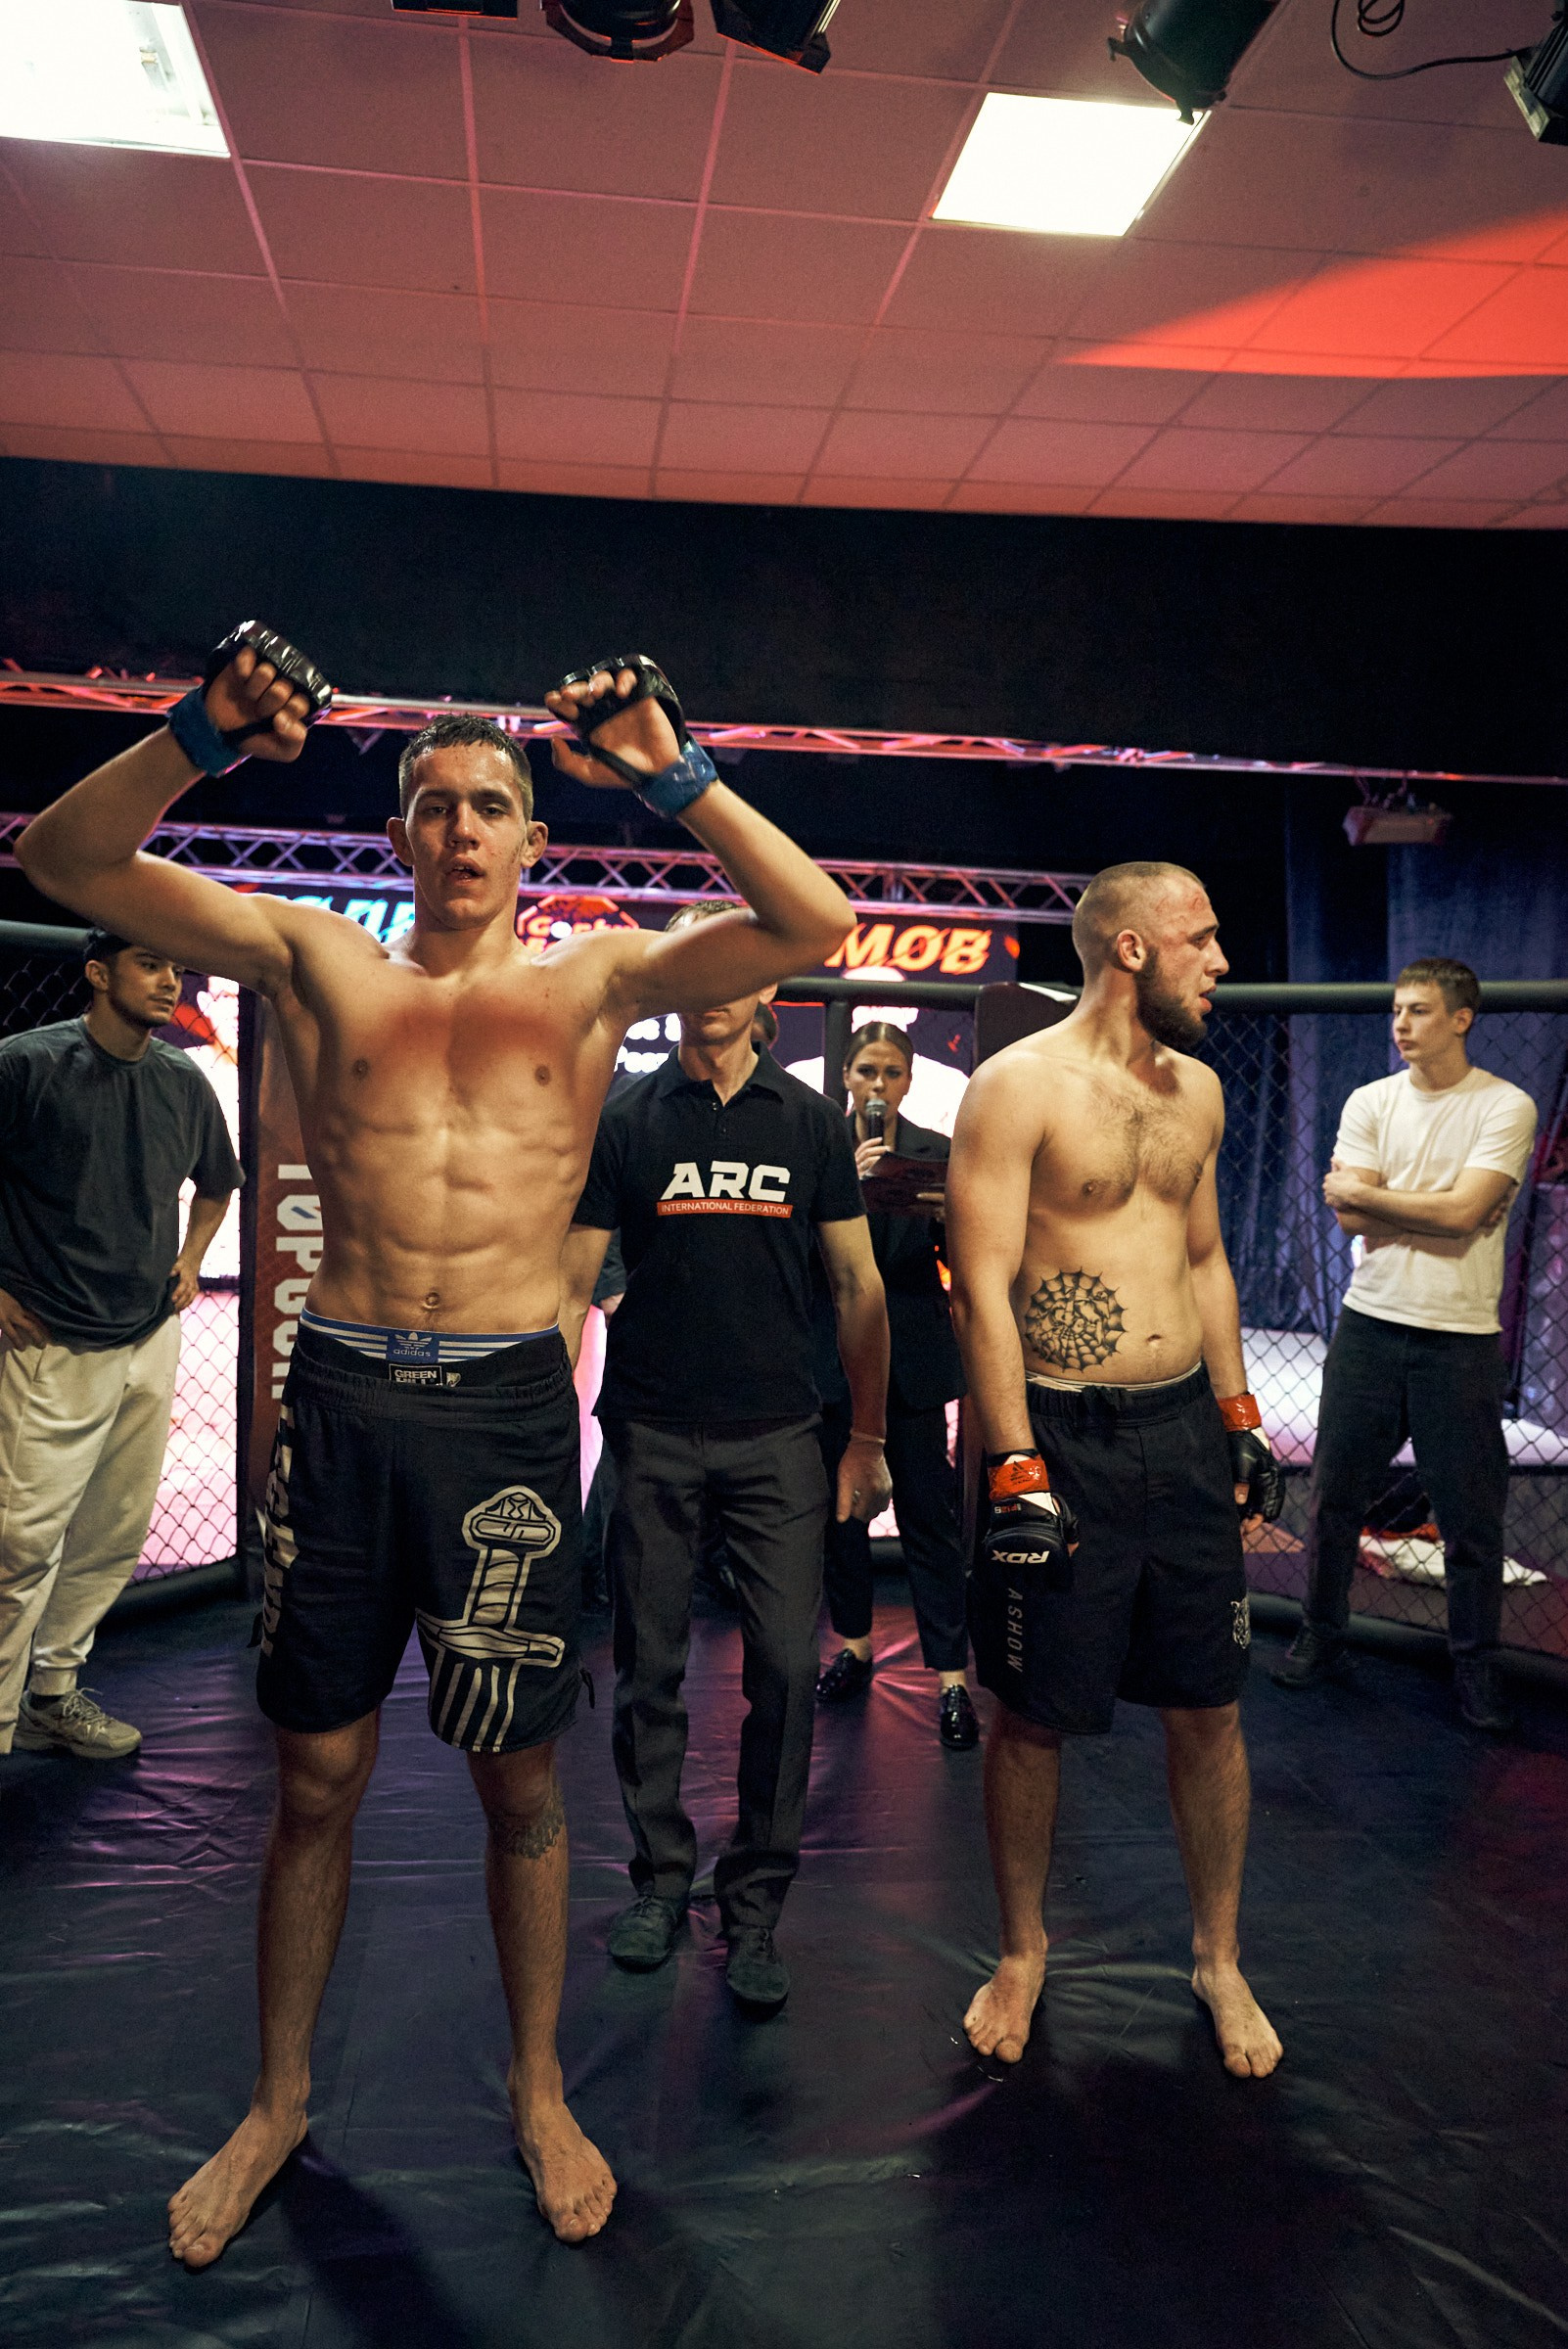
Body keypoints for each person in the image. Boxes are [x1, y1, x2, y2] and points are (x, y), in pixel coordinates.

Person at [17, 634, 853, 2259]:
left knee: (517, 1779)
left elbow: (812, 924)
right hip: (343, 1396)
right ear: (396, 831)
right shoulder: (318, 959)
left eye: (490, 804)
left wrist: (671, 770)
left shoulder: (593, 982)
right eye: (434, 803)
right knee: (316, 1776)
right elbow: (64, 859)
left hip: (504, 1416)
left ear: (533, 835)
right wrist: (201, 730)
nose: (462, 827)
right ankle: (278, 2101)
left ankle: (539, 2091)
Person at [946, 859, 1284, 2081]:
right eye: (1201, 939)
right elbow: (981, 1287)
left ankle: (1219, 1958)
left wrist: (1239, 1413)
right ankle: (1022, 1951)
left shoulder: (1200, 1089)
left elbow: (1204, 1259)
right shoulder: (1018, 1086)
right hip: (1063, 1438)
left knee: (1211, 1706)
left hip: (1182, 1431)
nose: (1221, 962)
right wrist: (1013, 1464)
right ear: (1131, 948)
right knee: (1033, 1716)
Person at [560, 904, 891, 2011]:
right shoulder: (626, 1117)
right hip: (651, 1433)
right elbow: (572, 1283)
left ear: (766, 993)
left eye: (732, 969)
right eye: (692, 968)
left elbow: (859, 1288)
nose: (712, 988)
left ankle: (754, 1905)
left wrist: (869, 1439)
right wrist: (539, 1428)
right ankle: (660, 1881)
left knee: (788, 1671)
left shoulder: (810, 1123)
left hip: (779, 1440)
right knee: (647, 1668)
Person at [1273, 958, 1537, 1734]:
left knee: (1471, 1519)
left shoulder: (1505, 1104)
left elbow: (1461, 1215)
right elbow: (1351, 1218)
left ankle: (1476, 1665)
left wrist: (1377, 1196)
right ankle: (1322, 1636)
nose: (1401, 1023)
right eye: (1396, 1009)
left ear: (1461, 1019)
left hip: (1460, 1339)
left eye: (1419, 1010)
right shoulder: (1371, 1101)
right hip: (1371, 1326)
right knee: (1333, 1498)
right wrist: (1430, 1208)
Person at [0, 932, 241, 1760]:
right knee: (19, 1543)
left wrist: (192, 1258)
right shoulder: (26, 1064)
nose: (170, 979)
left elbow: (218, 1182)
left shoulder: (181, 1079)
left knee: (113, 1533)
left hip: (149, 1332)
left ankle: (52, 1696)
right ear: (99, 974)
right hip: (50, 1336)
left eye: (176, 967)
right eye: (149, 964)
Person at [815, 1021, 977, 1749]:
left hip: (911, 1353)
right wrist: (845, 1190)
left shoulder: (936, 1153)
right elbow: (796, 1250)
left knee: (927, 1514)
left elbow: (966, 1257)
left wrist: (950, 1220)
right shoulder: (822, 1147)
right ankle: (853, 1644)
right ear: (846, 1078)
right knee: (840, 1515)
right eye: (866, 1072)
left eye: (891, 1073)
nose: (878, 1085)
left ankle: (951, 1676)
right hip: (835, 1354)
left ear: (909, 1081)